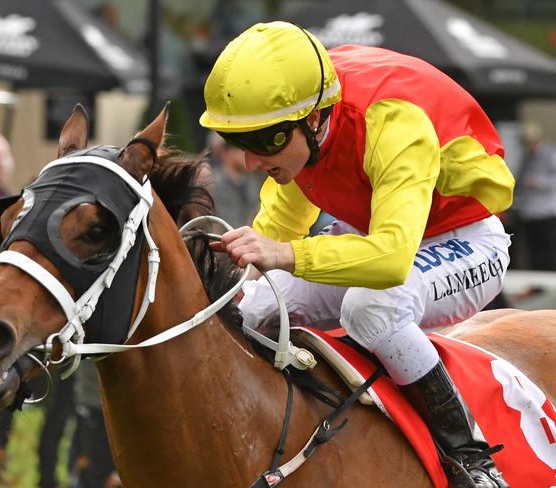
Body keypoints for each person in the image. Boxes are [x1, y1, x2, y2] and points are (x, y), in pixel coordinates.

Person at [200, 21, 514, 488]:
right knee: (257, 305)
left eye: (264, 142)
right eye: (240, 143)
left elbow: (389, 259)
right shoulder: (303, 134)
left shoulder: (392, 121)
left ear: (313, 118)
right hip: (379, 234)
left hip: (466, 238)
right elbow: (274, 237)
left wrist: (285, 254)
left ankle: (472, 460)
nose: (250, 163)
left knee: (371, 309)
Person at [514, 121, 556, 271]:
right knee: (533, 248)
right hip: (529, 212)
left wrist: (538, 181)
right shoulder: (526, 157)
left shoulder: (550, 154)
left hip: (546, 212)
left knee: (548, 248)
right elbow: (519, 179)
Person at [207, 131, 264, 227]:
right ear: (226, 153)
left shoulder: (252, 181)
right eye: (241, 149)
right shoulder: (214, 183)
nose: (245, 155)